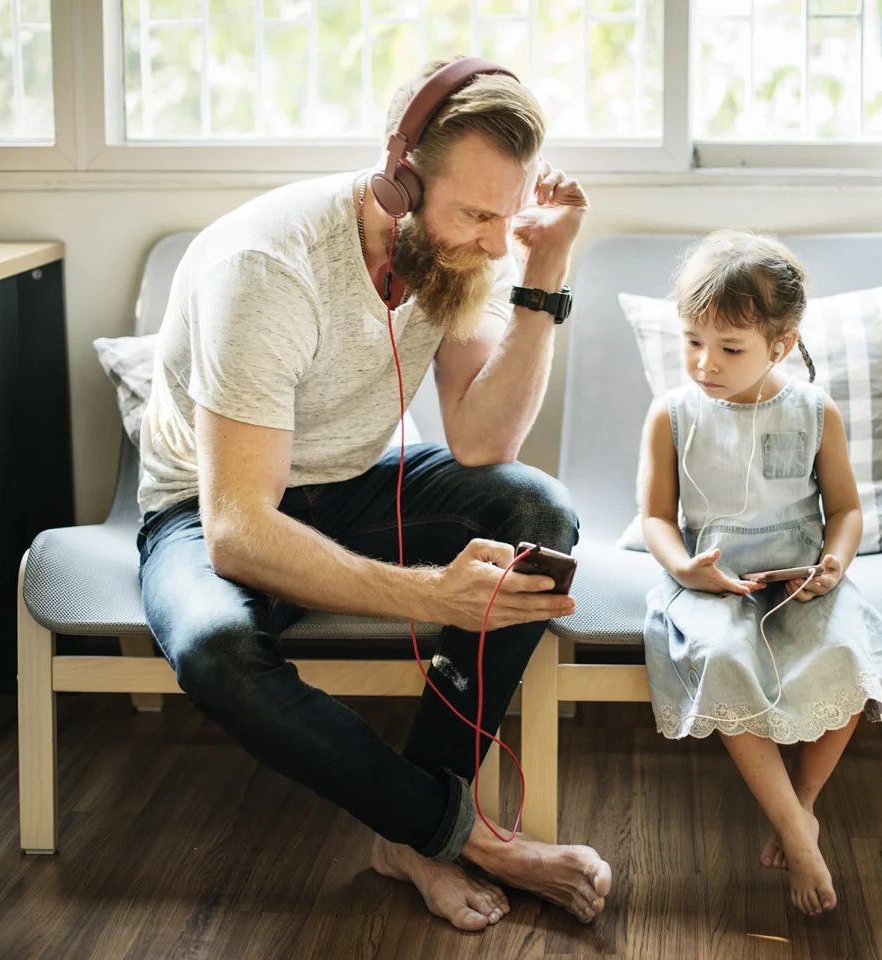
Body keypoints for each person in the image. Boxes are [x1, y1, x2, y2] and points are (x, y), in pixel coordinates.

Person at [136, 55, 611, 931]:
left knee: (538, 511)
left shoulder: (459, 251)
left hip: (357, 482)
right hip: (207, 510)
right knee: (214, 651)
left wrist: (545, 273)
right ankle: (452, 832)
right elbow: (238, 532)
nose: (493, 240)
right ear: (401, 181)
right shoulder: (268, 268)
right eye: (476, 214)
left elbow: (481, 440)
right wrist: (433, 593)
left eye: (507, 217)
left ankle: (414, 829)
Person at [638, 230, 882, 916]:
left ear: (780, 345)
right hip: (714, 578)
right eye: (692, 340)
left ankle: (801, 807)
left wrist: (834, 563)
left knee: (852, 653)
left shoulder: (815, 412)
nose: (704, 363)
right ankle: (798, 838)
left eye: (728, 348)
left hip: (802, 574)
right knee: (721, 655)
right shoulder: (672, 413)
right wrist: (685, 570)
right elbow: (656, 518)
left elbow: (843, 510)